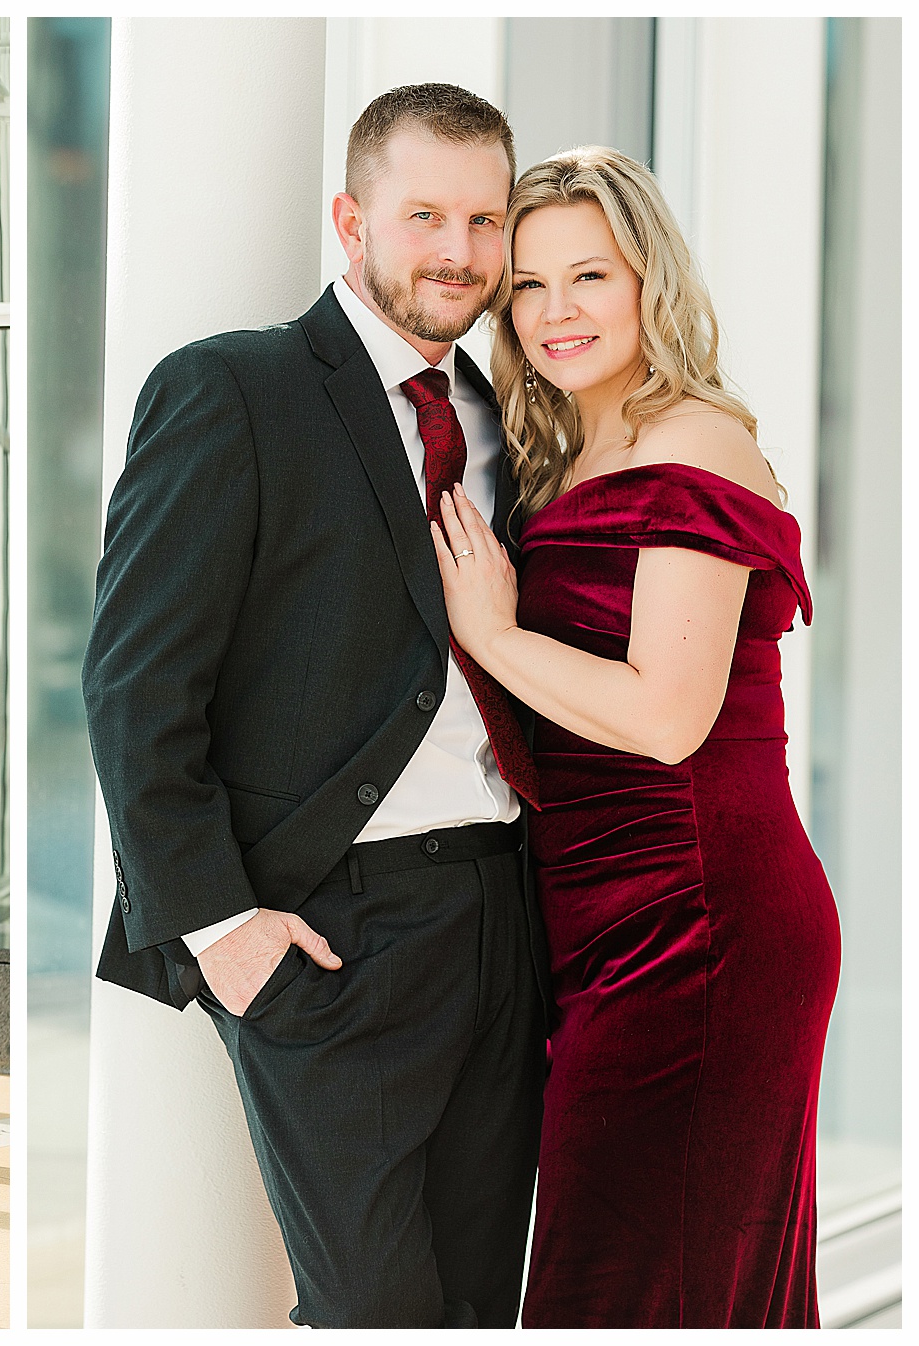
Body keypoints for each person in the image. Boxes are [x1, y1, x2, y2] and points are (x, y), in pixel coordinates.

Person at [82, 84, 548, 1328]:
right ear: (353, 220)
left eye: (487, 219)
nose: (461, 251)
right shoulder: (235, 388)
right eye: (426, 214)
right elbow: (135, 684)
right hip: (336, 928)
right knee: (371, 1308)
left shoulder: (506, 423)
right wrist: (221, 929)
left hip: (503, 913)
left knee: (476, 1305)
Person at [431, 146, 839, 1328]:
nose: (557, 313)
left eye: (589, 277)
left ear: (649, 281)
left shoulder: (696, 441)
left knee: (622, 1288)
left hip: (703, 924)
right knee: (666, 1280)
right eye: (529, 286)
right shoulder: (556, 456)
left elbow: (668, 715)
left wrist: (497, 635)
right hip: (604, 925)